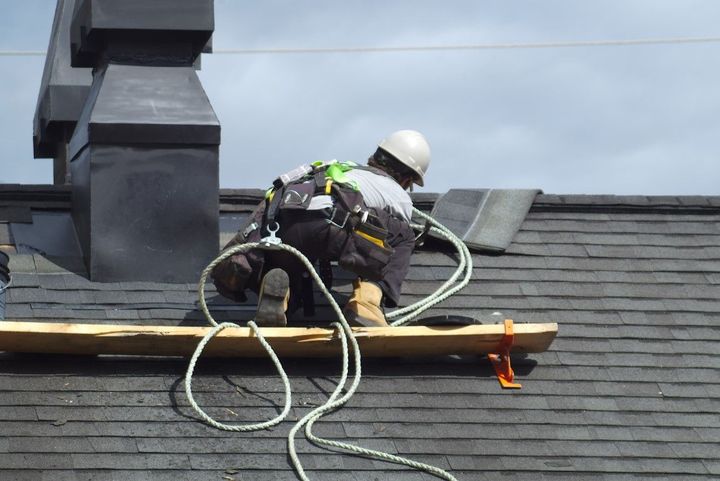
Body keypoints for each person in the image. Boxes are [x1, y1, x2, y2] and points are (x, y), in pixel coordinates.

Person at [212, 130, 431, 327]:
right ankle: (367, 303)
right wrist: (366, 265)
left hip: (286, 225)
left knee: (291, 259)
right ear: (406, 178)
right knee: (404, 237)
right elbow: (388, 238)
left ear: (375, 157)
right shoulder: (396, 192)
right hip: (333, 224)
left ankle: (280, 293)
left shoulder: (337, 169)